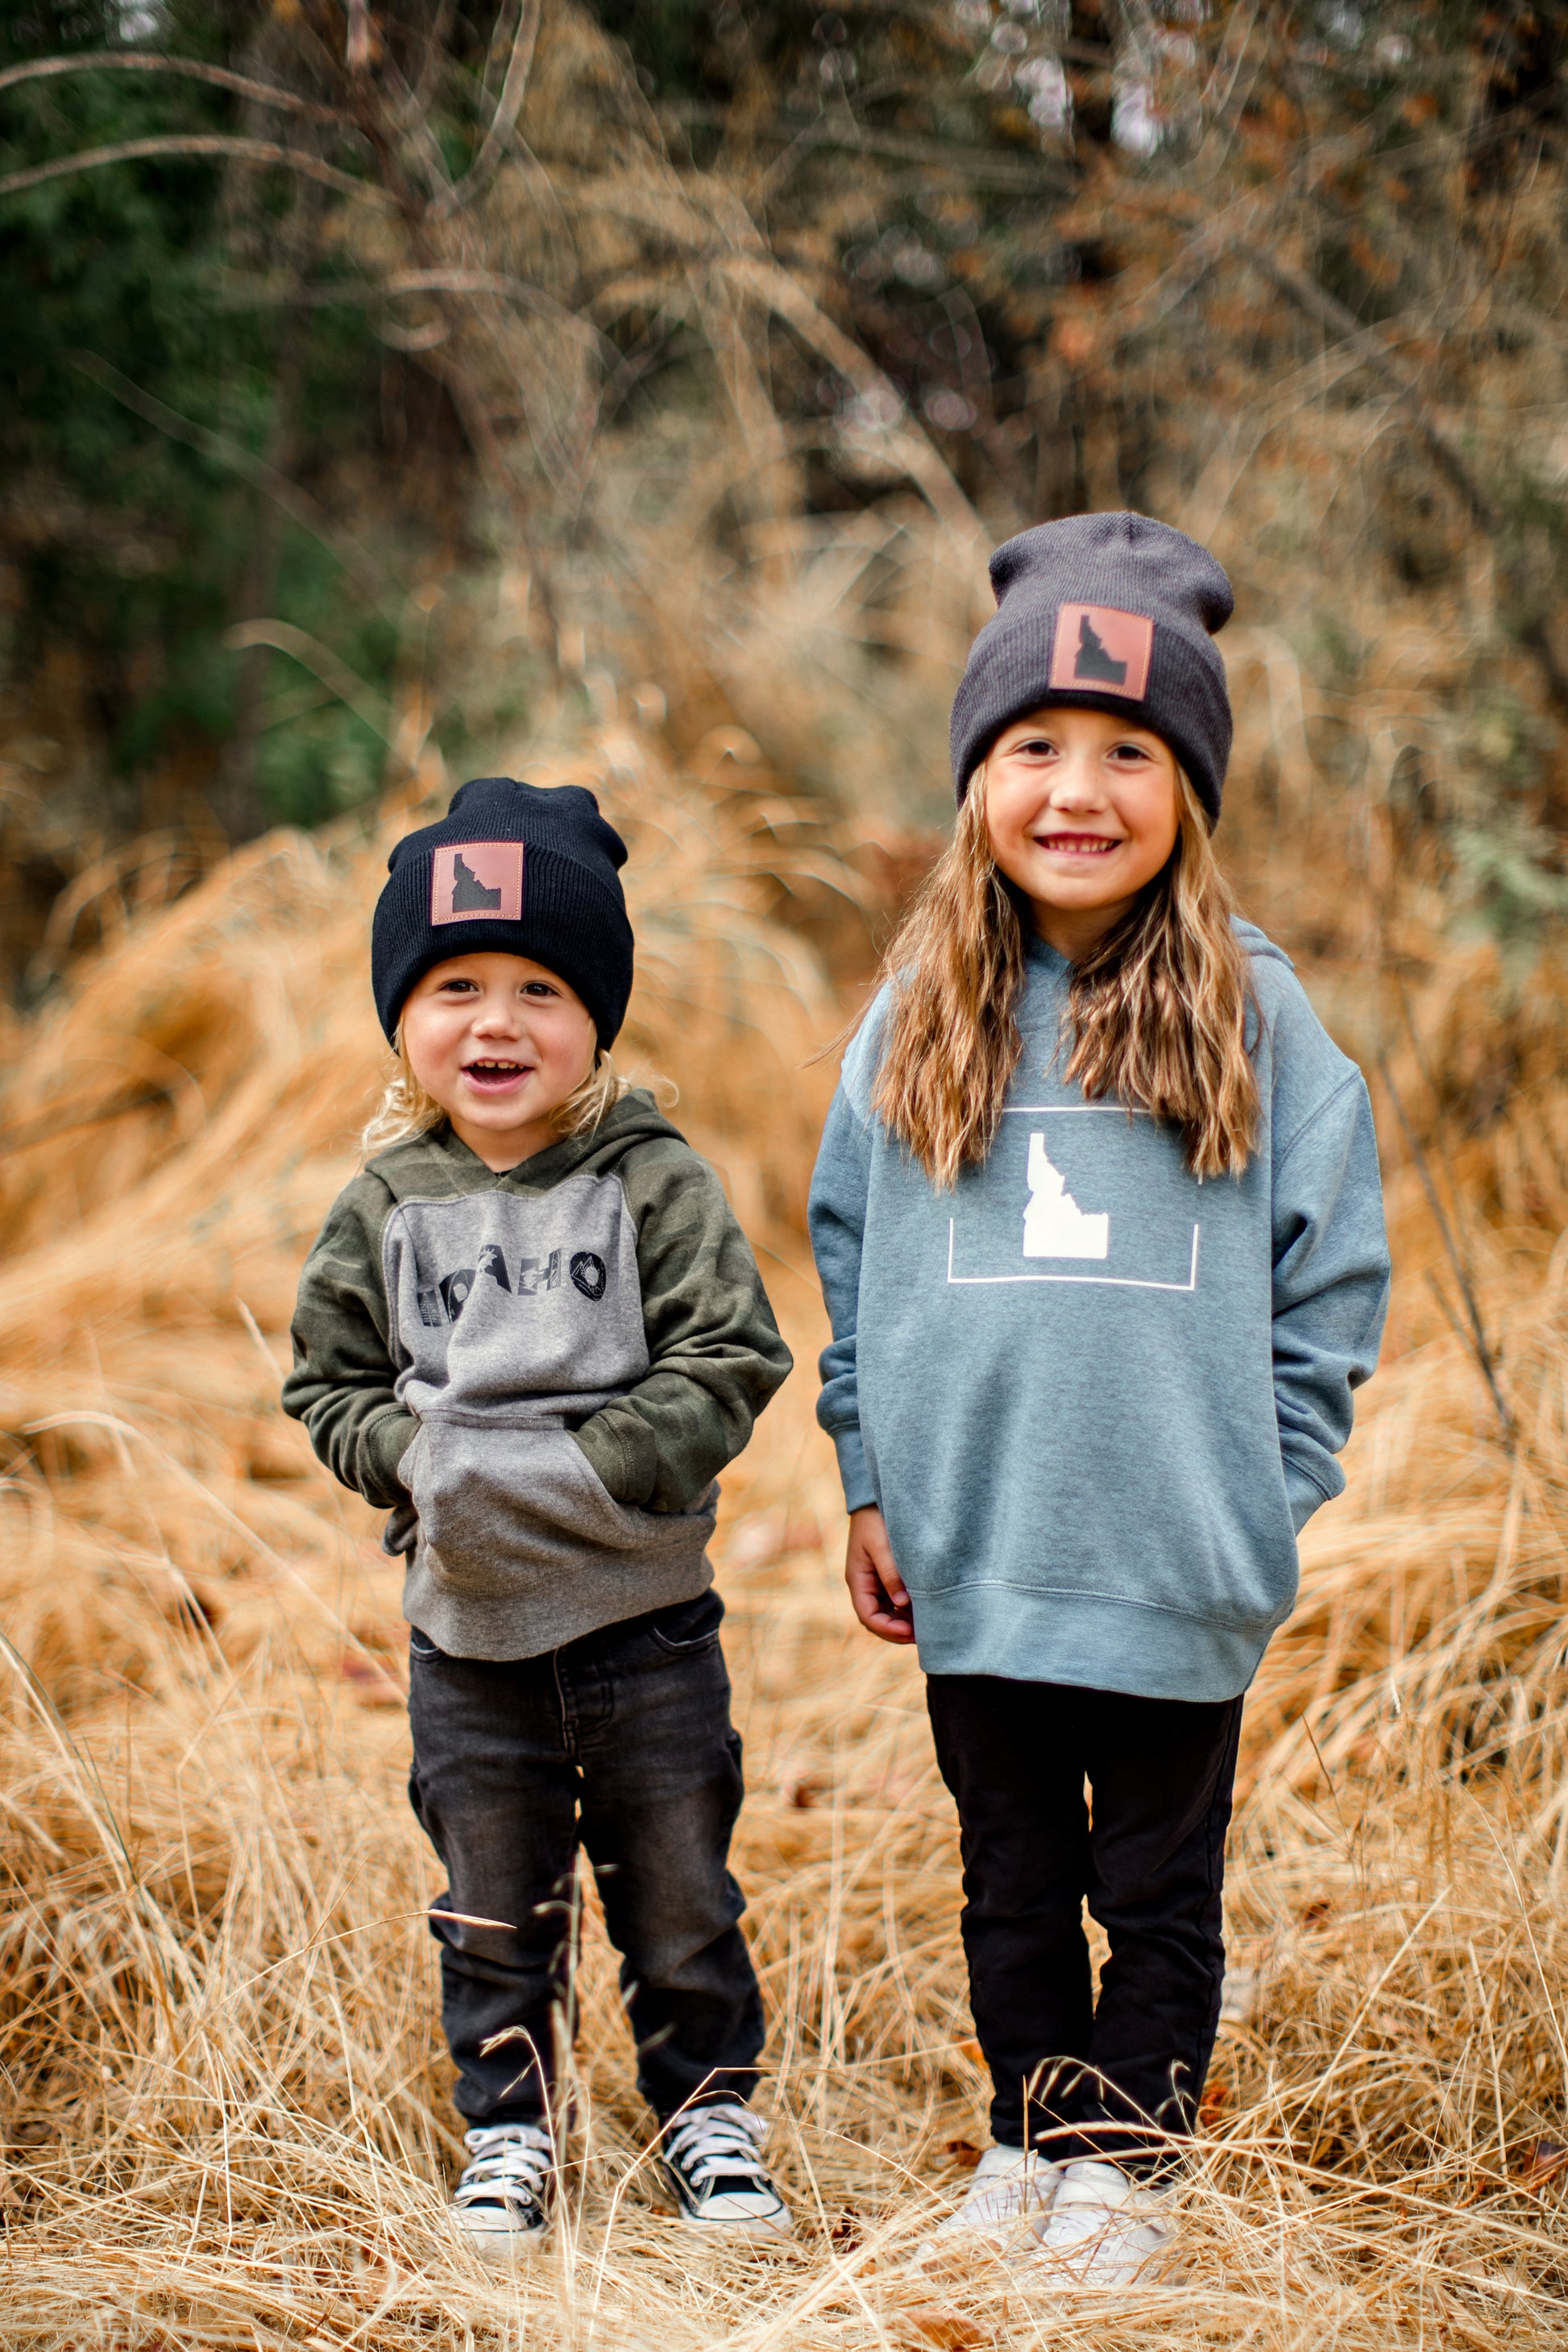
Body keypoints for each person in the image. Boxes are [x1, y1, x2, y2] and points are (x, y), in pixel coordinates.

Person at [807, 515, 1391, 2288]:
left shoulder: (1256, 1014)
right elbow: (852, 1251)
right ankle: (1028, 2129)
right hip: (977, 1547)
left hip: (1172, 1558)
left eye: (1129, 753)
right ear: (977, 779)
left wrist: (1266, 1489)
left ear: (1189, 792)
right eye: (1034, 747)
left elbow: (1330, 1278)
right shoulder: (919, 1012)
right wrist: (869, 1475)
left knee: (1152, 1884)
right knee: (1007, 1875)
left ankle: (1125, 2165)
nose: (1077, 790)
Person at [284, 777, 795, 2259]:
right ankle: (509, 2126)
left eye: (539, 990)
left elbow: (731, 1355)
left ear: (596, 1020)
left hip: (646, 1628)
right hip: (468, 1638)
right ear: (402, 1018)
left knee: (679, 1887)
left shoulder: (651, 1182)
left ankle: (707, 2111)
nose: (495, 1023)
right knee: (493, 1898)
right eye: (454, 987)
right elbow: (326, 1382)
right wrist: (418, 1465)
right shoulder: (386, 1205)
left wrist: (598, 1468)